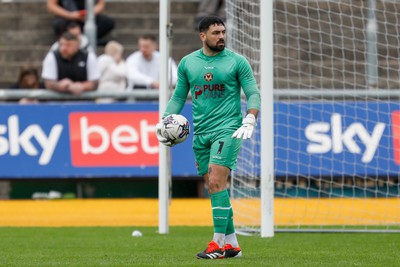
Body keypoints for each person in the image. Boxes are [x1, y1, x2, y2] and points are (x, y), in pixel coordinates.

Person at [155, 16, 260, 259]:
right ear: (203, 36)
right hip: (201, 133)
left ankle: (217, 244)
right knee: (214, 187)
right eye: (216, 33)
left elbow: (253, 92)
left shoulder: (237, 61)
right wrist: (165, 121)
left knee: (215, 182)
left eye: (223, 32)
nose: (221, 36)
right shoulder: (188, 63)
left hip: (228, 128)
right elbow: (179, 97)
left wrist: (250, 117)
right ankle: (233, 245)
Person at [47, 0, 115, 44]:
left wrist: (89, 13)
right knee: (58, 24)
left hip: (87, 17)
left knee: (108, 22)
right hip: (68, 18)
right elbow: (51, 5)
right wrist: (70, 15)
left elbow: (100, 4)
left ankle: (84, 40)